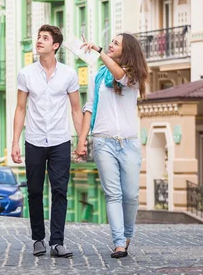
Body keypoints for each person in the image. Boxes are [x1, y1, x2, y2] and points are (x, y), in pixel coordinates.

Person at [11, 24, 83, 258]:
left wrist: (82, 141)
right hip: (33, 140)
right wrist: (14, 142)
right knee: (34, 191)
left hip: (60, 141)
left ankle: (57, 243)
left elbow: (75, 110)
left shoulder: (69, 74)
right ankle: (38, 239)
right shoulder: (26, 73)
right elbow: (20, 109)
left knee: (60, 191)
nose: (39, 41)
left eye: (45, 38)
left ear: (55, 46)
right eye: (38, 37)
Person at [77, 33, 149, 259]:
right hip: (103, 141)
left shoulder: (134, 76)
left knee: (131, 196)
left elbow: (119, 75)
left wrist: (99, 52)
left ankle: (127, 236)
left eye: (116, 43)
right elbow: (89, 108)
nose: (110, 45)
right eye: (111, 42)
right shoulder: (98, 77)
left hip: (128, 143)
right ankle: (119, 243)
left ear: (126, 51)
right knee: (113, 194)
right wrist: (81, 140)